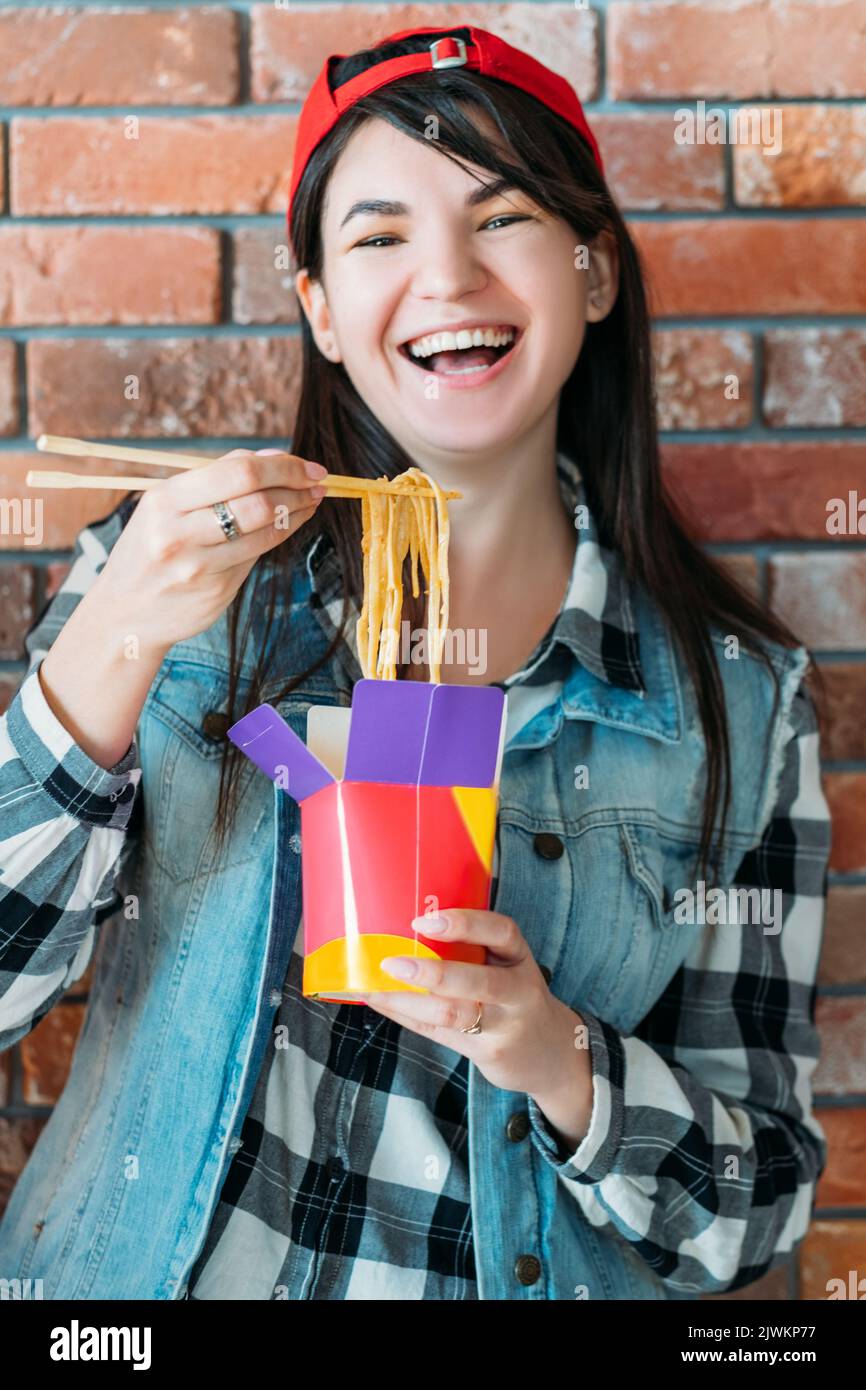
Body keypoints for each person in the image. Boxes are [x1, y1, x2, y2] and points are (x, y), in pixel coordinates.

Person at [0, 25, 830, 1301]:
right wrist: (112, 645)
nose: (445, 276)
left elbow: (757, 1211)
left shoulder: (737, 704)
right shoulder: (166, 592)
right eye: (381, 235)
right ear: (322, 309)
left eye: (500, 218)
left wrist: (558, 1059)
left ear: (592, 272)